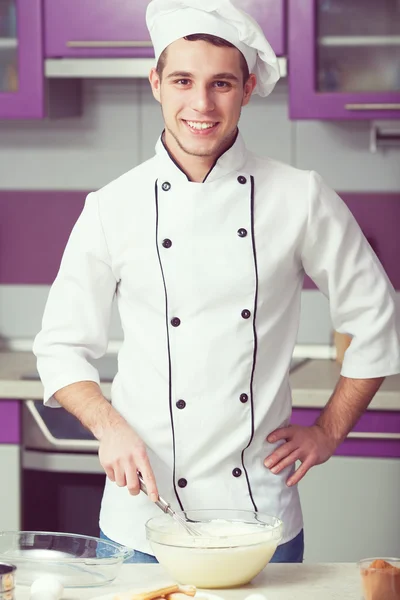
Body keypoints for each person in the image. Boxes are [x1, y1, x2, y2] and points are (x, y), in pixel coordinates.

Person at [33, 0, 400, 565]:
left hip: (259, 520)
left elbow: (376, 317)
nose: (201, 104)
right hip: (140, 520)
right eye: (182, 80)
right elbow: (60, 347)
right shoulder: (111, 207)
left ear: (248, 89)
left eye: (221, 84)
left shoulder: (299, 196)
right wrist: (108, 426)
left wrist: (328, 432)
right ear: (156, 82)